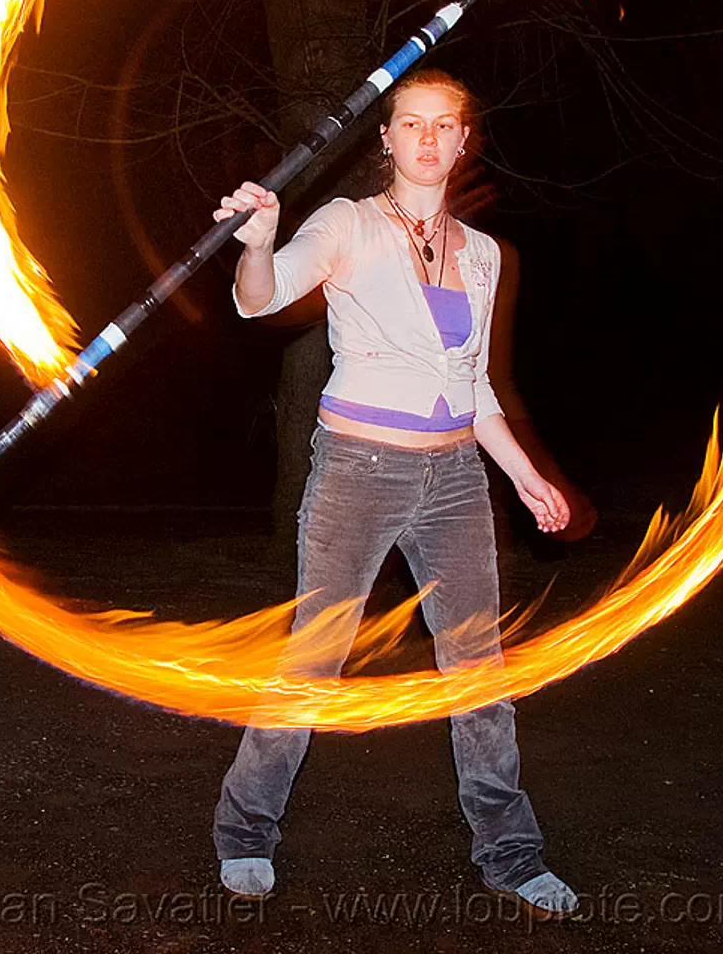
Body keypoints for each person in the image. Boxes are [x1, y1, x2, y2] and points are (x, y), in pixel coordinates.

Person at [210, 69, 579, 918]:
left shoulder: (481, 255)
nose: (425, 139)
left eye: (443, 125)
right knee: (313, 660)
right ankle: (245, 831)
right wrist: (261, 243)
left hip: (453, 476)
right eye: (409, 124)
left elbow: (475, 383)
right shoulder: (348, 225)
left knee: (478, 672)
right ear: (386, 138)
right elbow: (255, 301)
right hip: (358, 470)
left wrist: (527, 480)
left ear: (461, 139)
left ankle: (512, 854)